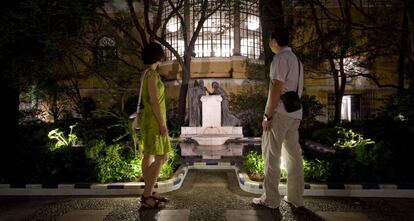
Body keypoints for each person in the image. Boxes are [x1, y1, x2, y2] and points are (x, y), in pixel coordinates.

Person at [252, 27, 304, 209]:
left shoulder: (280, 59)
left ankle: (271, 200)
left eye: (269, 40)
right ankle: (296, 198)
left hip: (280, 113)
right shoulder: (297, 60)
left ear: (274, 41)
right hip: (295, 113)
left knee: (271, 156)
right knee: (293, 156)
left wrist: (267, 115)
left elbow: (277, 88)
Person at [139, 42, 171, 209]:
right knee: (161, 156)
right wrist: (162, 123)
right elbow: (153, 101)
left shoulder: (145, 74)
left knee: (149, 155)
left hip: (149, 119)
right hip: (154, 121)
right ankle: (146, 195)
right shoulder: (152, 75)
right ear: (158, 56)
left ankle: (149, 192)